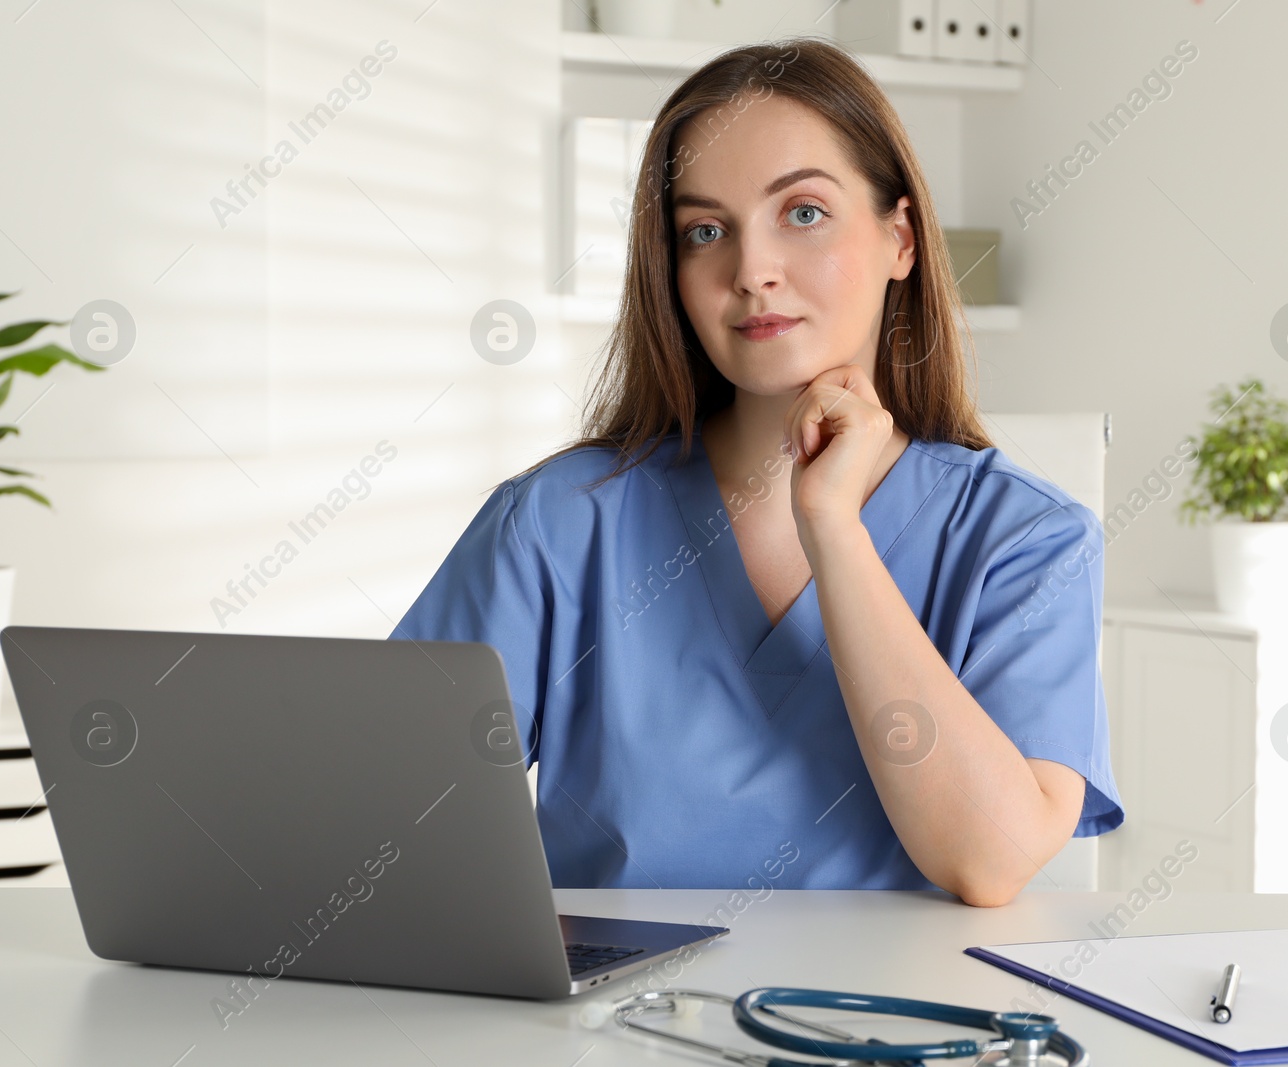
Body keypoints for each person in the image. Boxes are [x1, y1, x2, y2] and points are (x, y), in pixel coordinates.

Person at [394, 37, 1122, 907]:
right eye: (706, 231)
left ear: (901, 239)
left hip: (889, 1030)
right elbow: (381, 815)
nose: (752, 272)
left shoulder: (1029, 540)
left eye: (803, 212)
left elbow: (990, 859)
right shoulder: (557, 523)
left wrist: (835, 529)